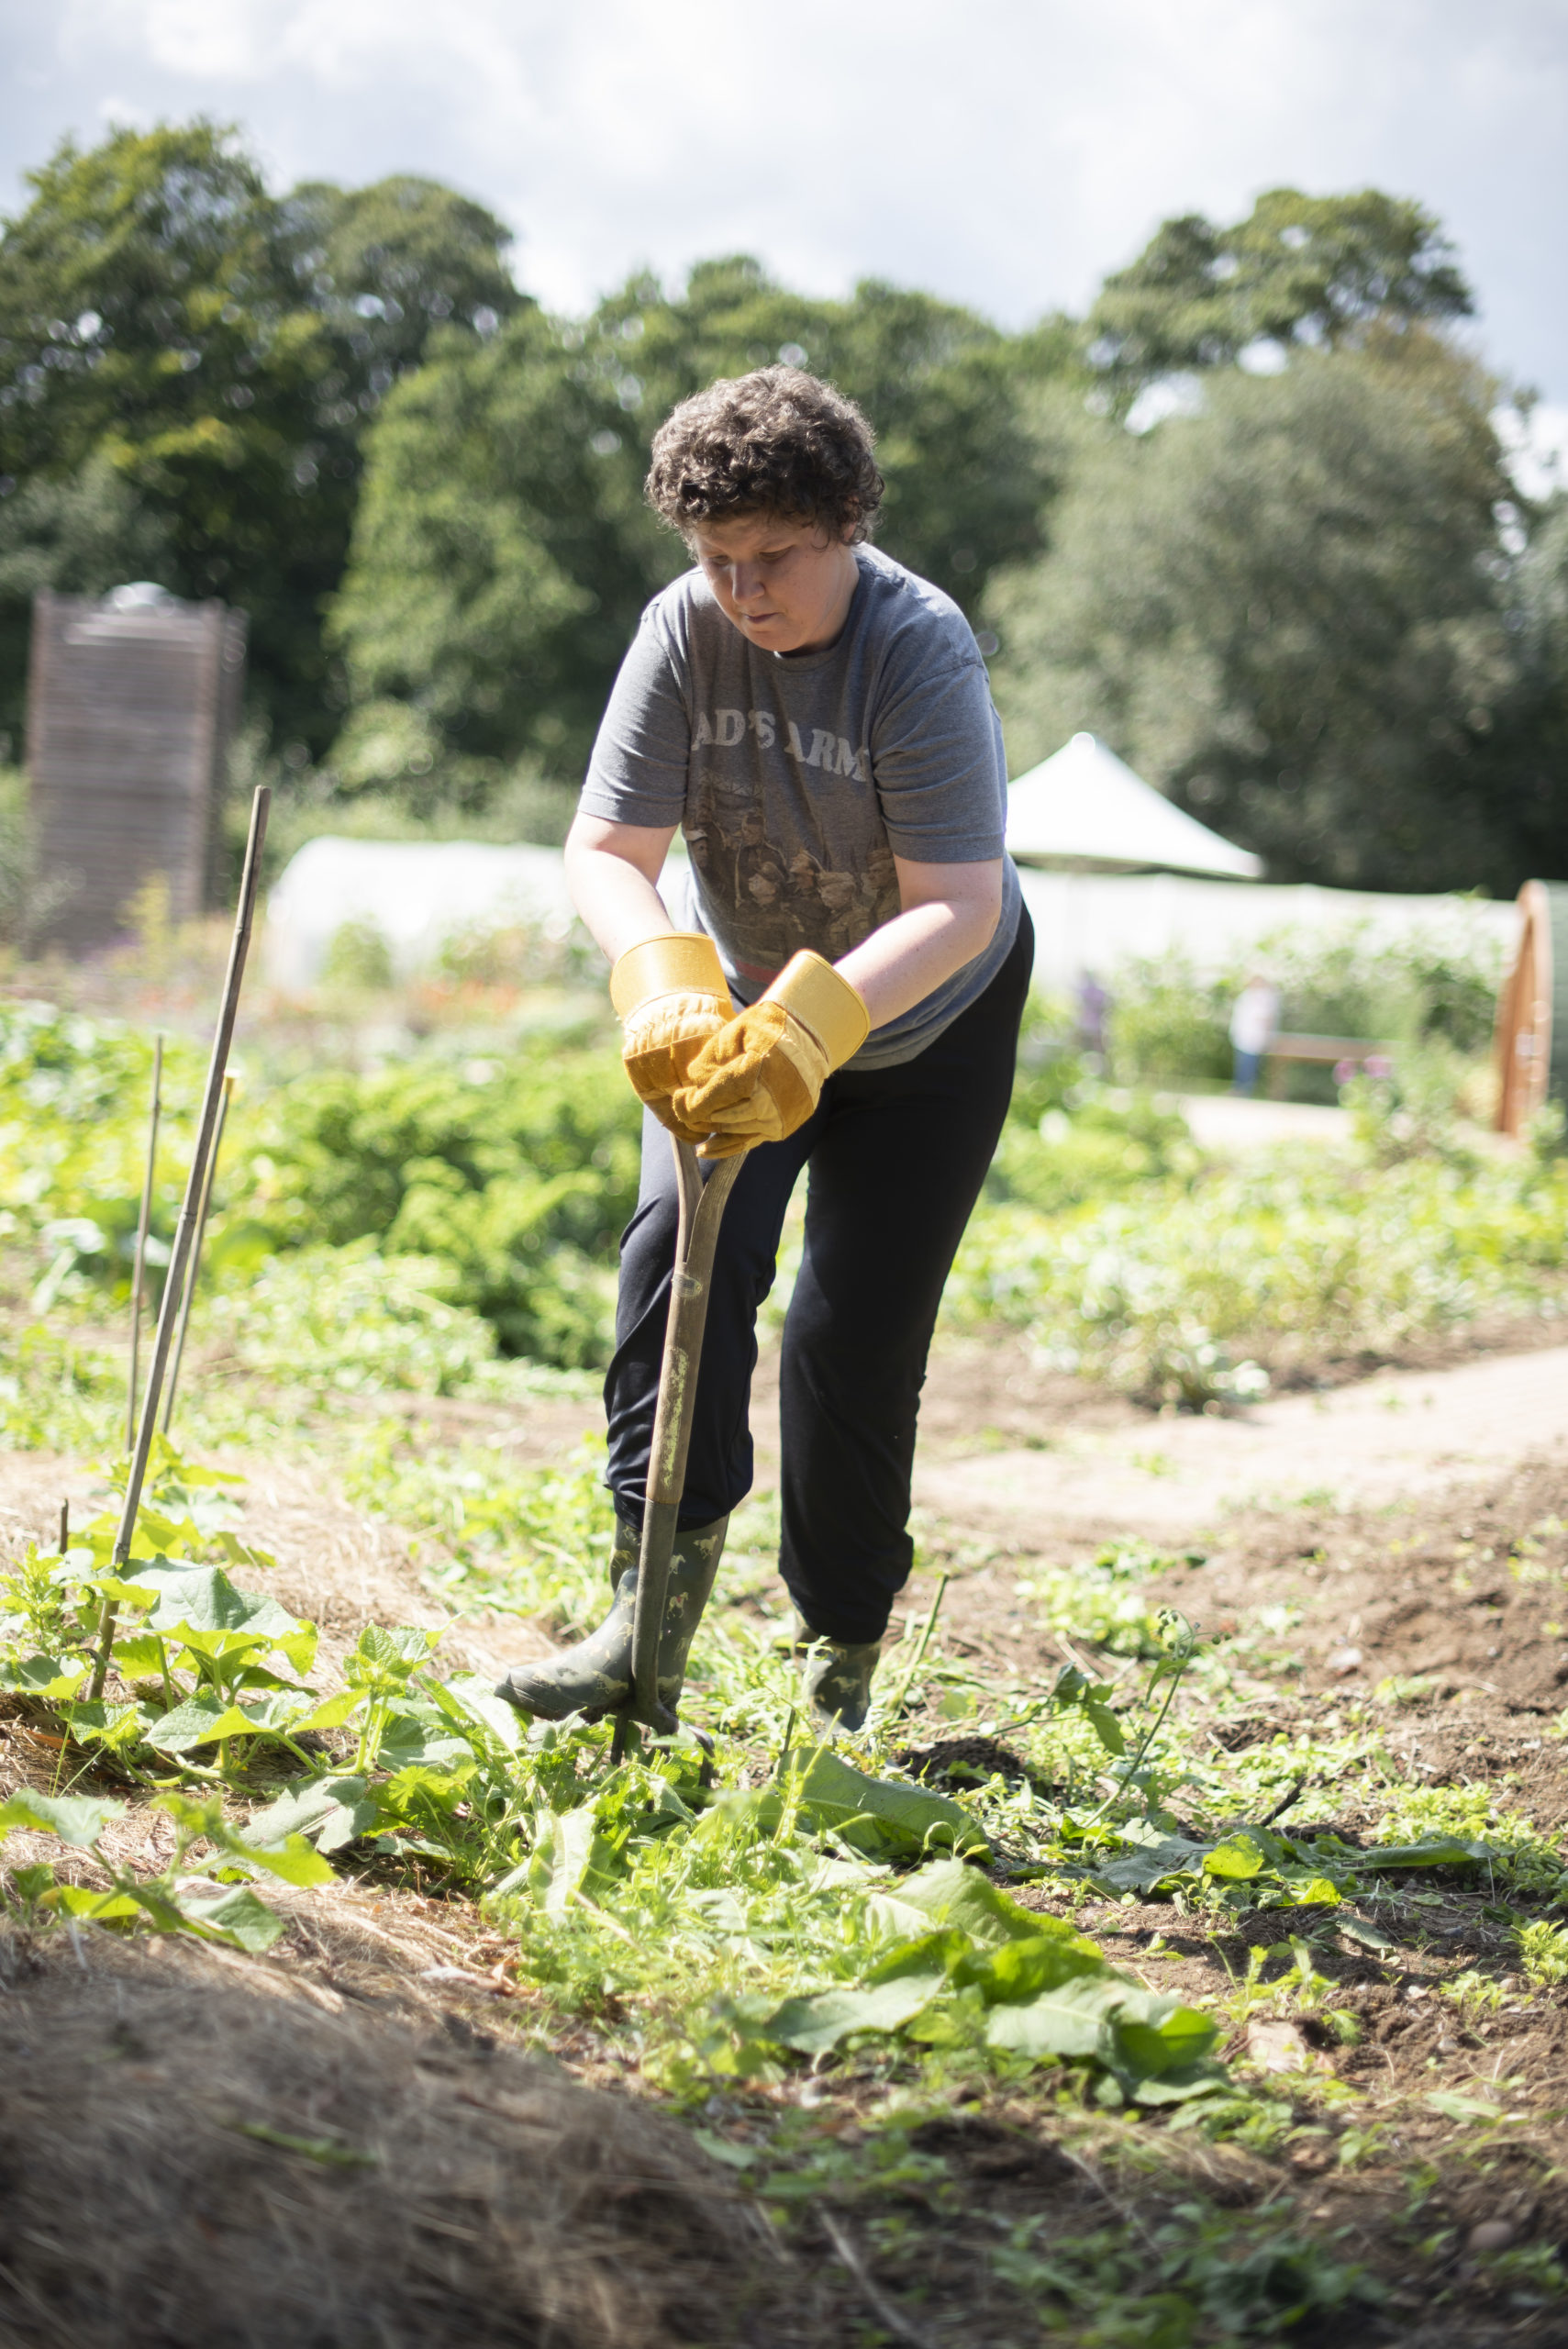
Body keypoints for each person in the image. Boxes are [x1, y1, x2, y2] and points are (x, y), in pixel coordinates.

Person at [495, 366, 1031, 1733]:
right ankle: (642, 1621)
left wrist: (814, 1026)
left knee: (848, 1335)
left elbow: (958, 904)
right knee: (675, 1272)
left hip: (928, 1021)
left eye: (771, 558)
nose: (741, 591)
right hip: (729, 1009)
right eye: (716, 560)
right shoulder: (680, 632)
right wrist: (665, 983)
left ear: (848, 520)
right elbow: (605, 850)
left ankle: (834, 1669)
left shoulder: (919, 650)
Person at [1229, 972, 1280, 1095]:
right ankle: (1238, 1088)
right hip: (1242, 1035)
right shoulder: (1246, 996)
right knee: (1241, 1063)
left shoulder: (1265, 997)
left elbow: (1267, 1017)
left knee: (1249, 1063)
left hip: (1254, 1036)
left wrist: (1266, 1035)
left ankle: (1245, 1089)